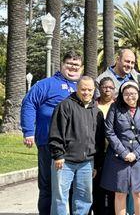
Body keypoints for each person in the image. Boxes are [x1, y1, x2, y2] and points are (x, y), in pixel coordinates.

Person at [20, 50, 82, 215]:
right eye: (69, 64)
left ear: (81, 68)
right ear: (62, 64)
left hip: (74, 147)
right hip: (48, 143)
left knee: (71, 188)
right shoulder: (45, 84)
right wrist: (28, 131)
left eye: (76, 65)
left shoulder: (84, 87)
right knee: (48, 186)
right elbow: (29, 104)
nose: (72, 67)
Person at [48, 76, 105, 215]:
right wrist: (58, 155)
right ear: (77, 89)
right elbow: (56, 131)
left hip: (87, 163)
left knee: (84, 199)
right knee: (60, 198)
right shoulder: (65, 105)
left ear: (94, 90)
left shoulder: (97, 111)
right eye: (83, 89)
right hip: (64, 161)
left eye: (90, 90)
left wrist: (96, 164)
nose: (86, 92)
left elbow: (99, 140)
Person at [100, 81, 140, 215]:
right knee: (120, 193)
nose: (130, 97)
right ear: (121, 95)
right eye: (126, 94)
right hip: (118, 157)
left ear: (139, 93)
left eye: (133, 94)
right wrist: (123, 152)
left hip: (138, 159)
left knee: (138, 193)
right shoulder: (115, 108)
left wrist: (137, 153)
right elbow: (109, 131)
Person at [92, 77, 116, 215]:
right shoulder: (93, 105)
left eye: (111, 88)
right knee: (97, 190)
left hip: (113, 154)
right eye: (105, 87)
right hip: (96, 154)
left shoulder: (118, 106)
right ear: (99, 88)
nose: (107, 90)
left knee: (113, 191)